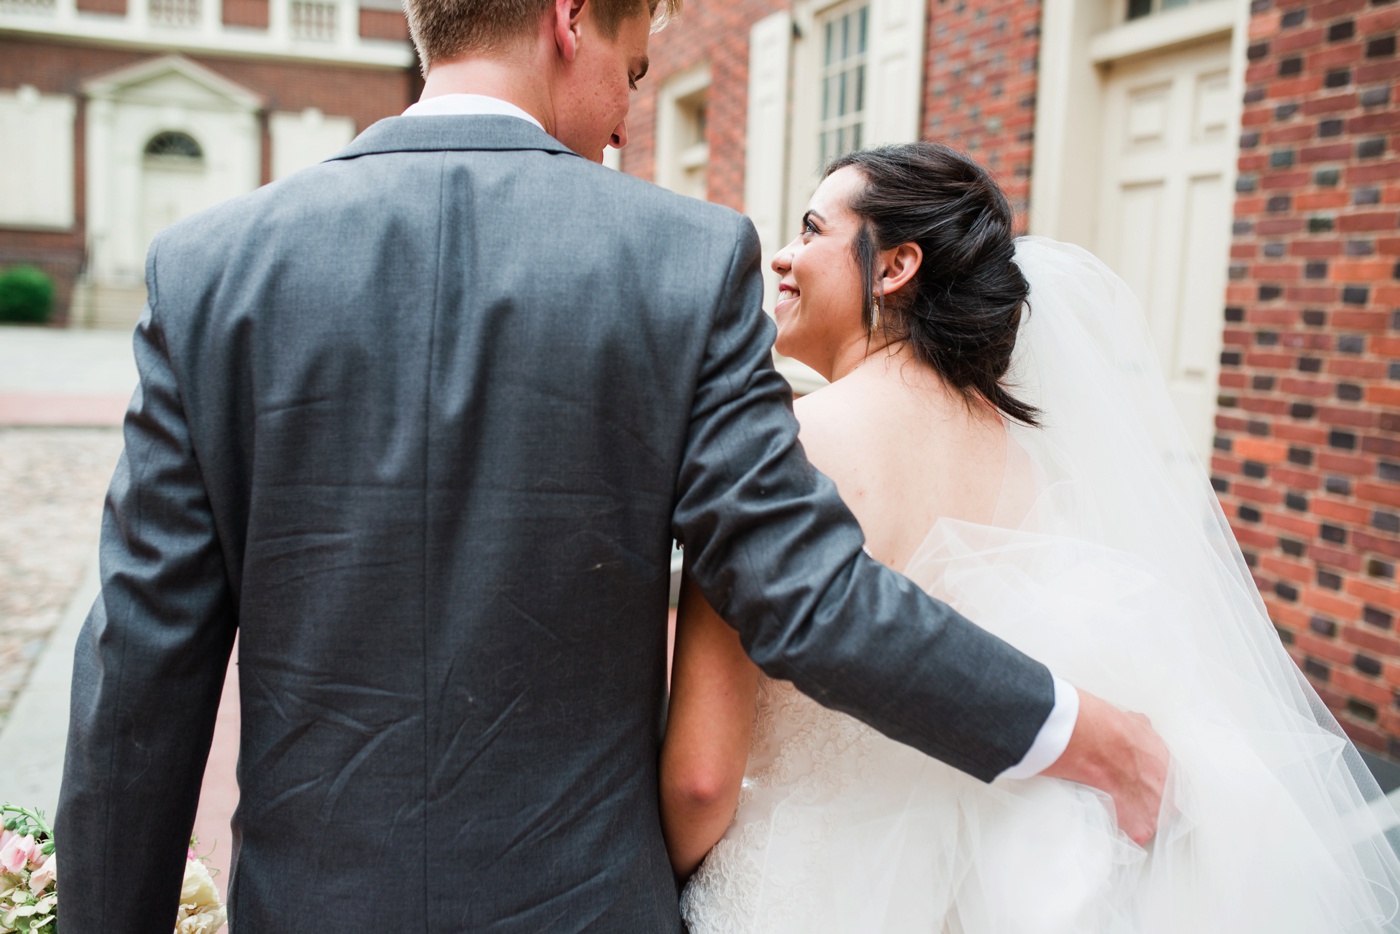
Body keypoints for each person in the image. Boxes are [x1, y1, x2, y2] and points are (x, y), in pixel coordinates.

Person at [56, 3, 1167, 931]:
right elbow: (808, 596)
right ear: (568, 18)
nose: (629, 118)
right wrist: (1080, 731)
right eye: (633, 72)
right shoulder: (683, 261)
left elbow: (139, 678)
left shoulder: (206, 270)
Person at [665, 142, 1400, 932]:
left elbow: (702, 783)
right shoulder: (1021, 461)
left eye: (812, 229)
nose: (784, 253)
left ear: (893, 268)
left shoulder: (781, 449)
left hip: (793, 892)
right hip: (966, 896)